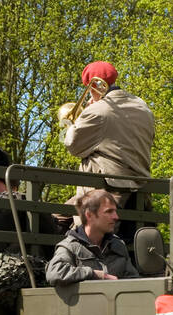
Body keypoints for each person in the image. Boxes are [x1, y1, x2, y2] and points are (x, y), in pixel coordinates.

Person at [61, 60, 155, 238]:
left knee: (58, 221)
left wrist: (77, 119)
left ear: (95, 85)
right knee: (60, 213)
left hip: (107, 191)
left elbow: (72, 145)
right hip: (140, 192)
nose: (89, 93)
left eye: (89, 88)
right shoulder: (143, 107)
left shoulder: (98, 111)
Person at [46, 189, 137, 284]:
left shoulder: (118, 245)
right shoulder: (71, 247)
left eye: (115, 211)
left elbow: (133, 281)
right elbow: (54, 273)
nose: (116, 217)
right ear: (89, 215)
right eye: (109, 211)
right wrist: (93, 274)